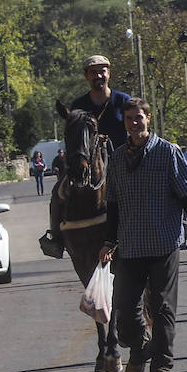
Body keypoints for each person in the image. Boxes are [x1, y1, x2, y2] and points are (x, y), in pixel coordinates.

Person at [97, 97, 187, 372]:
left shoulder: (168, 152)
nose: (135, 123)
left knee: (162, 308)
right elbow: (113, 206)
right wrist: (109, 241)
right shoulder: (118, 158)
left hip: (164, 244)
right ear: (124, 123)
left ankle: (161, 367)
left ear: (149, 119)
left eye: (139, 117)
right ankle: (140, 348)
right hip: (130, 246)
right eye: (129, 119)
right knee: (123, 310)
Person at [43, 54, 132, 258]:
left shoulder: (123, 101)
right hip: (88, 164)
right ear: (86, 77)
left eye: (102, 71)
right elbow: (74, 137)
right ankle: (55, 238)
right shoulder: (79, 105)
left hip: (122, 161)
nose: (98, 76)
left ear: (109, 74)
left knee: (144, 188)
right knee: (59, 191)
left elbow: (133, 131)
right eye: (93, 73)